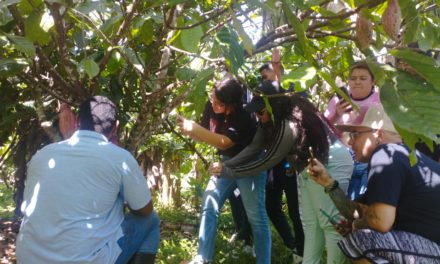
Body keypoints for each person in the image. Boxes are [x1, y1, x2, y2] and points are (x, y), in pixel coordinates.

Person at [209, 81, 353, 263]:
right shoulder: (271, 120)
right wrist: (227, 166)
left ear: (274, 106)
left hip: (331, 162)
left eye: (261, 111)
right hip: (309, 168)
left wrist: (229, 171)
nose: (257, 115)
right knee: (311, 225)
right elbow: (255, 147)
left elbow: (268, 160)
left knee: (331, 224)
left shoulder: (288, 125)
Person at [16, 96, 160, 264]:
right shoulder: (120, 158)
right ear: (115, 127)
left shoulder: (43, 155)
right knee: (151, 220)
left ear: (77, 121)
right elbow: (145, 210)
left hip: (28, 258)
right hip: (84, 261)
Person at [308, 105, 440, 263]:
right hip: (427, 249)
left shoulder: (386, 154)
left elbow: (380, 221)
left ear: (378, 133)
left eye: (355, 134)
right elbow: (357, 212)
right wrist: (329, 183)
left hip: (432, 250)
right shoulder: (403, 156)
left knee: (360, 239)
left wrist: (357, 226)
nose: (349, 142)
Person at [177, 78, 270, 264]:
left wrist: (194, 128)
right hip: (225, 163)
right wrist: (190, 131)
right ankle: (202, 258)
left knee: (255, 216)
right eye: (212, 99)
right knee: (209, 204)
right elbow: (206, 134)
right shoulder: (211, 105)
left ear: (232, 104)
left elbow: (224, 141)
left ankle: (264, 260)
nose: (214, 104)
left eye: (219, 103)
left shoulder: (245, 113)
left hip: (249, 165)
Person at [258, 54, 305, 256]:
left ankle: (303, 253)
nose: (266, 82)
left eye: (269, 77)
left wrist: (278, 67)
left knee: (296, 210)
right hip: (276, 160)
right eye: (263, 79)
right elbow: (266, 135)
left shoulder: (295, 93)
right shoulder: (265, 101)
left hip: (294, 160)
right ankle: (291, 243)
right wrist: (266, 121)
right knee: (271, 205)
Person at [324, 61, 381, 200]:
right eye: (353, 78)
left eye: (363, 78)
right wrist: (336, 115)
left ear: (373, 81)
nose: (357, 82)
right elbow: (323, 128)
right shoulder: (338, 100)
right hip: (343, 157)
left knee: (365, 199)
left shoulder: (380, 100)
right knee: (343, 199)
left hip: (369, 158)